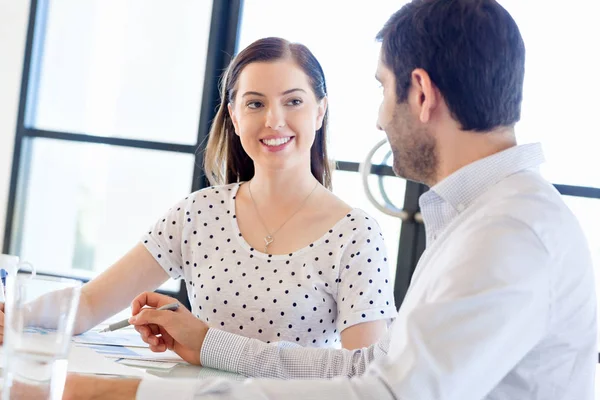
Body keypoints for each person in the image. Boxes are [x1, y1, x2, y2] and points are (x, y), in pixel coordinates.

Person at [62, 0, 596, 398]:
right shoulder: (482, 219)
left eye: (385, 90)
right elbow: (366, 367)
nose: (381, 117)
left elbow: (384, 395)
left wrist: (122, 393)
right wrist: (209, 344)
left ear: (422, 94)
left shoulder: (507, 236)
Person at [0, 38, 396, 355]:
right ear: (235, 116)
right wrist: (16, 315)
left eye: (293, 101)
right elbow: (88, 305)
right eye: (255, 103)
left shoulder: (357, 235)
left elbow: (367, 373)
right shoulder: (198, 213)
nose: (274, 120)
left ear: (320, 111)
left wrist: (204, 342)